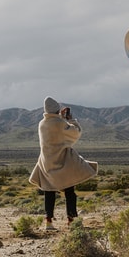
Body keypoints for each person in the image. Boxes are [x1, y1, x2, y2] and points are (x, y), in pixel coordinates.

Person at [29, 96, 98, 229]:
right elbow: (75, 133)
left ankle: (48, 221)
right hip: (62, 162)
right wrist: (70, 120)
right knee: (69, 191)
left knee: (49, 192)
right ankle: (71, 220)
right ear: (57, 110)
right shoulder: (60, 123)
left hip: (46, 162)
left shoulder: (42, 124)